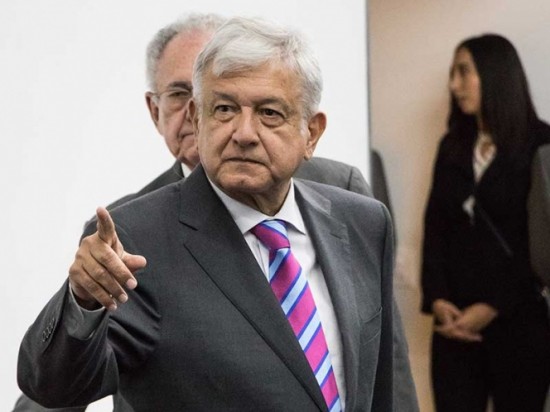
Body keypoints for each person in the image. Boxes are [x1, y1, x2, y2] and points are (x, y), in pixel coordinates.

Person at [17, 16, 415, 411]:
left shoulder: (362, 222)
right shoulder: (135, 240)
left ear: (311, 132)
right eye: (224, 109)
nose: (243, 133)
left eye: (269, 113)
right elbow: (56, 387)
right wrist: (82, 300)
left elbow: (383, 382)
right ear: (198, 118)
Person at [421, 33, 550, 412]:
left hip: (519, 324)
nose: (453, 85)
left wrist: (493, 306)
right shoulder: (452, 145)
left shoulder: (541, 145)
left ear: (495, 75)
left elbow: (540, 239)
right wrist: (438, 298)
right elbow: (435, 227)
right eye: (453, 73)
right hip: (454, 326)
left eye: (464, 72)